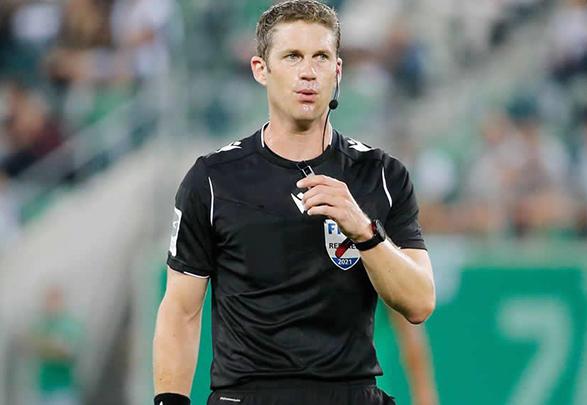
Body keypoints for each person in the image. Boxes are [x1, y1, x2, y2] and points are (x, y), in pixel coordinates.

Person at [152, 2, 436, 405]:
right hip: (249, 396)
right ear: (261, 69)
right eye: (292, 57)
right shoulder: (212, 180)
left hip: (350, 394)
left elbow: (420, 303)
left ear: (338, 71)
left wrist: (364, 230)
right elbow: (181, 310)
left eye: (321, 57)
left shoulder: (381, 176)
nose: (308, 72)